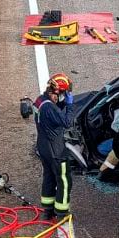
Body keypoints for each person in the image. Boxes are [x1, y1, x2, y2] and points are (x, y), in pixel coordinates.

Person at [33, 72, 75, 220]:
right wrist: (69, 106)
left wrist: (62, 103)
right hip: (56, 150)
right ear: (57, 92)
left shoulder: (39, 101)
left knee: (49, 176)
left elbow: (52, 112)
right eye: (65, 93)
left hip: (43, 147)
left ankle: (48, 209)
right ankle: (62, 212)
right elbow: (67, 122)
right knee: (64, 180)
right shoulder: (50, 108)